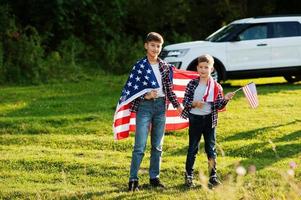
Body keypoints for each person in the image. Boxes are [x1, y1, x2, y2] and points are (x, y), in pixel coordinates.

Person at [127, 32, 182, 191]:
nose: (155, 48)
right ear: (146, 46)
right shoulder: (139, 66)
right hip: (144, 107)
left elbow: (169, 89)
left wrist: (177, 105)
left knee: (157, 145)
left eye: (158, 46)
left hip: (160, 107)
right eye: (152, 45)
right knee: (140, 146)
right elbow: (131, 90)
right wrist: (146, 95)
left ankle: (154, 177)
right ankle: (133, 179)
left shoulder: (164, 66)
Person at [181, 54, 235, 188]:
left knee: (210, 148)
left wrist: (226, 99)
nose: (203, 70)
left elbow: (218, 105)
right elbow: (185, 101)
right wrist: (194, 103)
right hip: (195, 119)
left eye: (206, 67)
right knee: (192, 147)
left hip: (210, 120)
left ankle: (213, 177)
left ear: (211, 69)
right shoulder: (192, 84)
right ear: (197, 68)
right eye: (201, 67)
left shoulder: (216, 86)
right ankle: (189, 176)